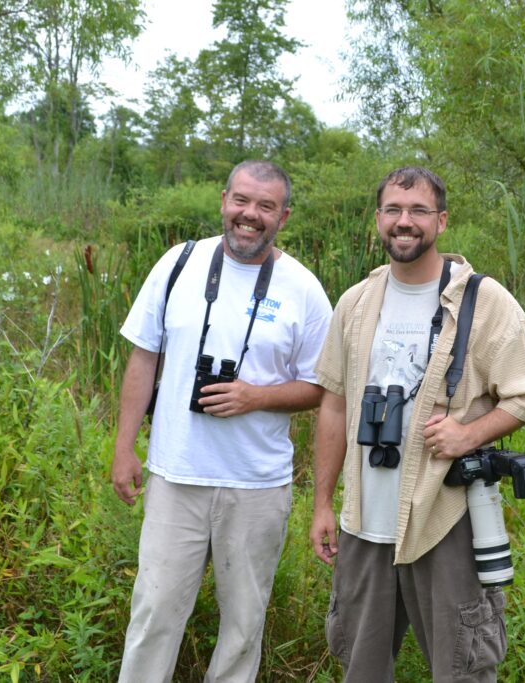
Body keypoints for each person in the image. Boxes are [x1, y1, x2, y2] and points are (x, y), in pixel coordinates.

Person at [310, 166, 525, 682]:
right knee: (360, 666)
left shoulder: (483, 300)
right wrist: (323, 504)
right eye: (393, 210)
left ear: (441, 221)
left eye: (419, 210)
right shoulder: (355, 302)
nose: (405, 221)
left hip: (444, 518)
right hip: (364, 521)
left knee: (462, 667)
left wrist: (469, 435)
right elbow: (333, 404)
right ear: (378, 218)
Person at [111, 160, 332, 682]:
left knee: (243, 626)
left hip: (256, 485)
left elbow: (322, 387)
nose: (250, 214)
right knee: (153, 613)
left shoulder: (303, 288)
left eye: (266, 206)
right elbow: (143, 358)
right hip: (176, 475)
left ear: (283, 216)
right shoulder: (178, 264)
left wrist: (255, 397)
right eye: (241, 200)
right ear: (223, 201)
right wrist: (124, 448)